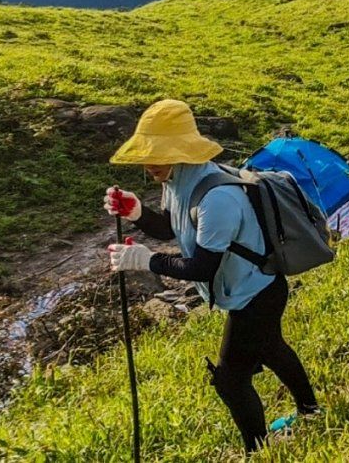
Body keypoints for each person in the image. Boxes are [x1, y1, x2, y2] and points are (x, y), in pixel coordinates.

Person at [102, 99, 319, 454]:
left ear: (181, 149)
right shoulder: (179, 178)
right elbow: (173, 228)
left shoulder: (216, 197)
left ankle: (258, 451)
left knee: (231, 380)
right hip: (255, 287)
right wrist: (138, 213)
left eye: (159, 152)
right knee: (271, 347)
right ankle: (311, 411)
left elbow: (201, 268)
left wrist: (145, 261)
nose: (149, 163)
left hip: (257, 294)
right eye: (147, 153)